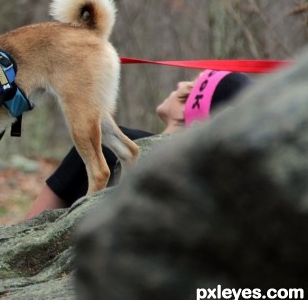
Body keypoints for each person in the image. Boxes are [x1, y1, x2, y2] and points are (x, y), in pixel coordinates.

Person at [25, 69, 252, 219]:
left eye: (192, 83)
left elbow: (27, 228)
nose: (180, 82)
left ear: (189, 104)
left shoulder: (109, 143)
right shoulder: (203, 191)